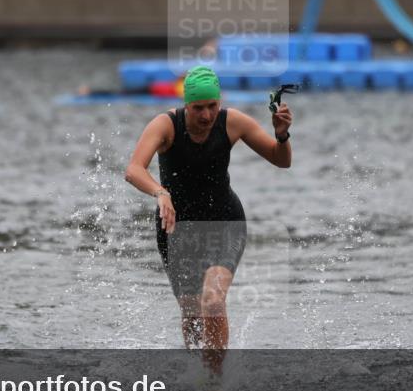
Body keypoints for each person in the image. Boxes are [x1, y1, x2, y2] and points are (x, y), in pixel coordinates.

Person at [125, 66, 292, 372]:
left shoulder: (233, 122)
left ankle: (214, 383)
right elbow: (134, 169)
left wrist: (282, 136)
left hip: (225, 223)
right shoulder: (166, 125)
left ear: (220, 101)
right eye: (198, 108)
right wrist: (161, 193)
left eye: (212, 106)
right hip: (176, 227)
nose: (206, 115)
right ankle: (198, 375)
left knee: (213, 300)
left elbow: (281, 161)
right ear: (186, 105)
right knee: (192, 313)